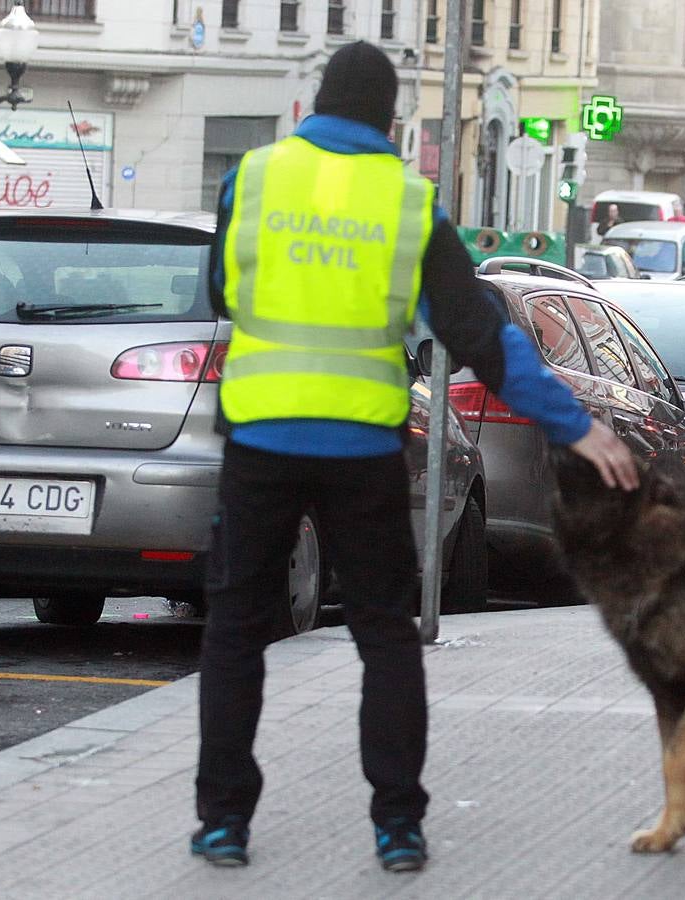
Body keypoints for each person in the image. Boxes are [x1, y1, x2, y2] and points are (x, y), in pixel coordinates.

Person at [193, 40, 638, 873]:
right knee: (385, 637)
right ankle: (397, 826)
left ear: (310, 107)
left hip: (259, 438)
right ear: (390, 120)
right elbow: (481, 334)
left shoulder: (251, 179)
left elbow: (221, 290)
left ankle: (223, 821)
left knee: (235, 632)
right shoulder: (409, 202)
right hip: (361, 446)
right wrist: (573, 423)